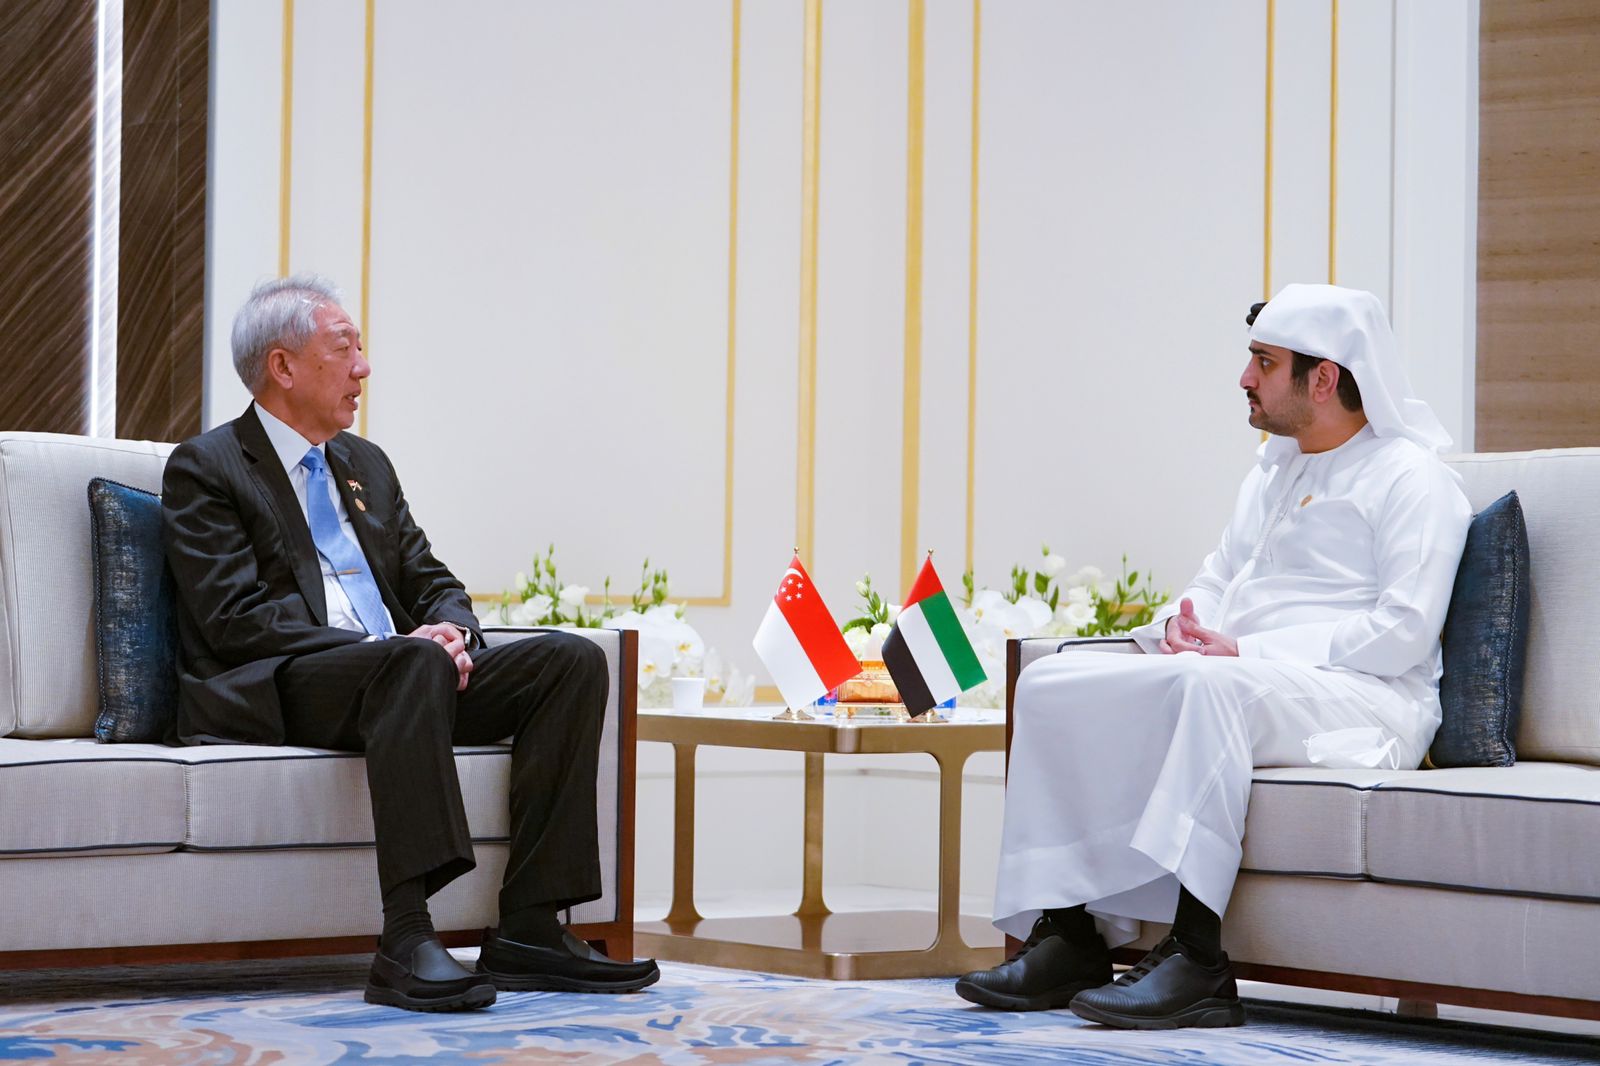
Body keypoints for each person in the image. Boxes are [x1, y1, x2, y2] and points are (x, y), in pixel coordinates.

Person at [955, 284, 1471, 1030]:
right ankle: (1067, 934)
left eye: (1264, 362)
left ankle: (1197, 958)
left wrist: (1243, 650)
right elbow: (1218, 577)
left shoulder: (1411, 478)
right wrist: (1182, 624)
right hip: (1249, 676)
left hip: (1369, 699)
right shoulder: (1273, 470)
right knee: (1051, 681)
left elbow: (1404, 632)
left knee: (1211, 688)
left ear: (1323, 378)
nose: (1244, 378)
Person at [162, 274, 659, 1012]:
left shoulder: (365, 464)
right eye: (344, 348)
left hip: (402, 677)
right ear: (283, 366)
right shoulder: (208, 467)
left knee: (569, 661)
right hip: (285, 682)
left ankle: (530, 928)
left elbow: (431, 577)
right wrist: (394, 647)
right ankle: (405, 938)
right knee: (411, 660)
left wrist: (452, 631)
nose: (363, 367)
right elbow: (232, 619)